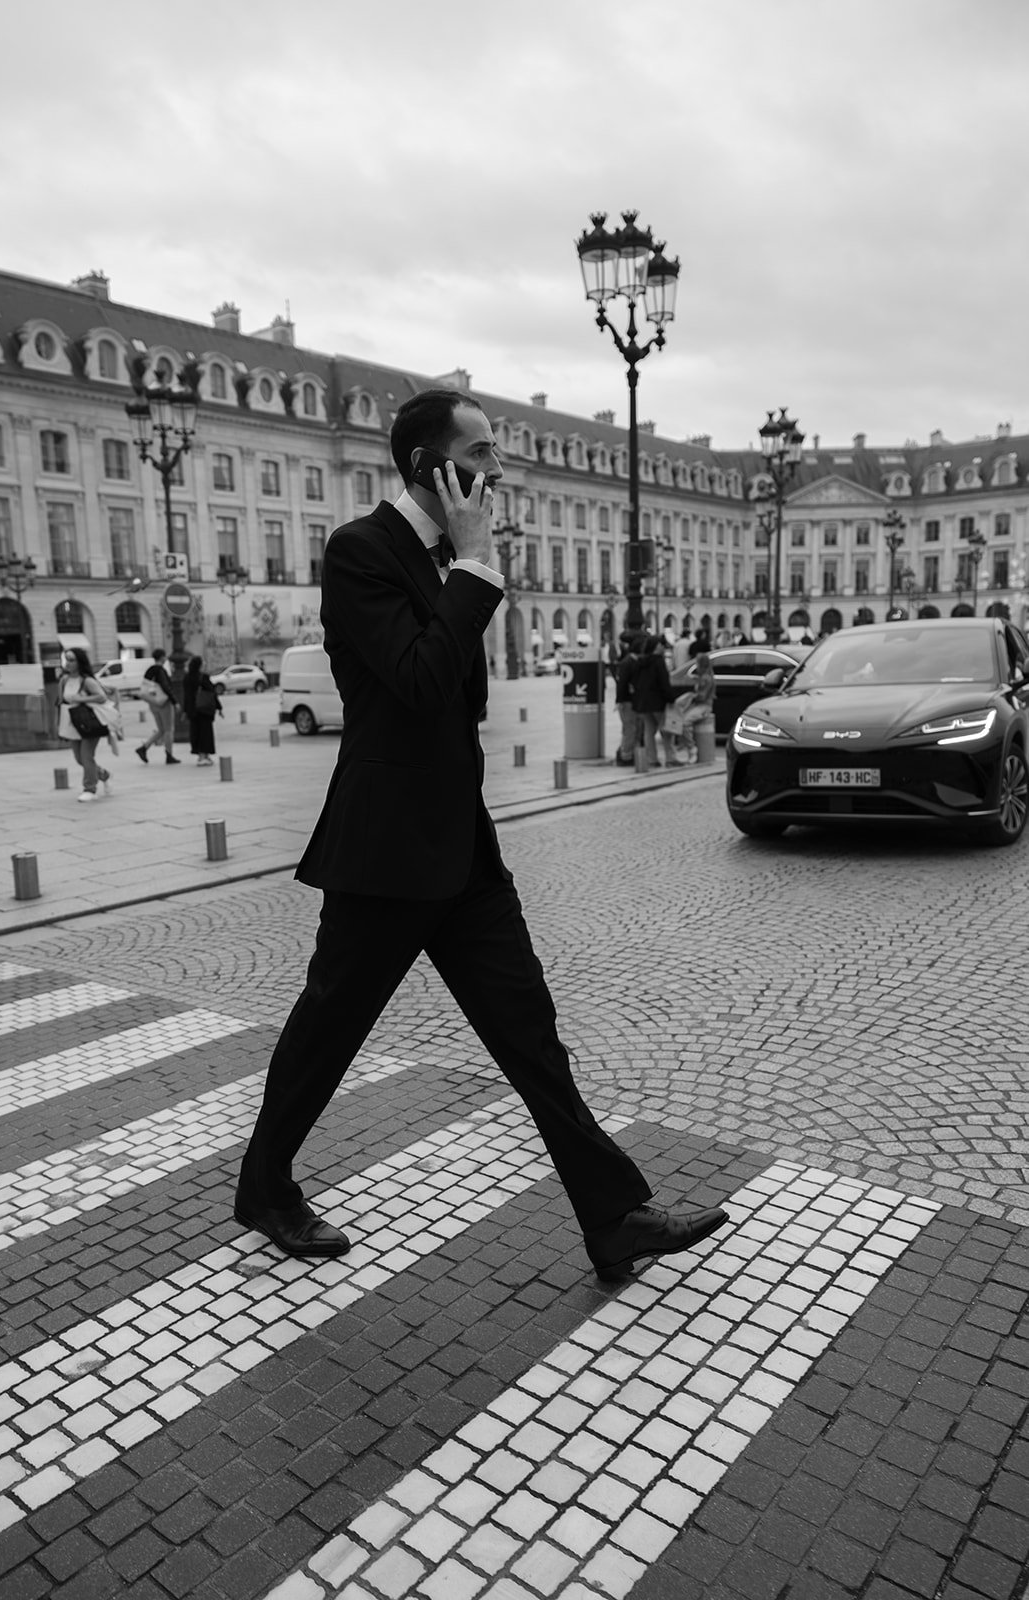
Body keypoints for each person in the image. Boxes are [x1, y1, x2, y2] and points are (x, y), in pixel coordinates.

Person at [235, 387, 728, 1280]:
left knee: (529, 1032)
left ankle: (615, 1216)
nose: (498, 471)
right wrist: (474, 567)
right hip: (386, 852)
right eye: (484, 455)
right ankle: (264, 1185)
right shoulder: (362, 553)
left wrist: (464, 569)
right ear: (435, 468)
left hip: (458, 844)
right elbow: (421, 683)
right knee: (327, 1030)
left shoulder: (435, 559)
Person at [56, 647, 112, 802]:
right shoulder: (64, 680)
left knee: (87, 756)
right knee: (79, 758)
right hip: (72, 722)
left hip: (89, 722)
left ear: (80, 662)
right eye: (66, 659)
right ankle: (103, 774)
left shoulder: (87, 680)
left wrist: (81, 699)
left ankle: (90, 789)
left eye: (72, 660)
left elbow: (101, 697)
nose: (68, 663)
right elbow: (61, 702)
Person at [630, 634, 673, 767]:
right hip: (658, 702)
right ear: (655, 647)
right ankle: (670, 759)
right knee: (666, 731)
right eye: (660, 645)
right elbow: (664, 682)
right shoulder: (659, 661)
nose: (662, 647)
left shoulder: (640, 662)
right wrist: (671, 698)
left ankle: (652, 759)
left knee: (649, 731)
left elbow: (634, 681)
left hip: (644, 703)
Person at [670, 647, 716, 764]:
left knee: (685, 722)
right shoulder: (705, 677)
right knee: (682, 719)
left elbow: (702, 696)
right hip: (702, 705)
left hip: (703, 706)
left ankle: (691, 747)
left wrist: (691, 696)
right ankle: (686, 745)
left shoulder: (705, 679)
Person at [135, 648, 181, 766]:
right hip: (163, 702)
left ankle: (144, 748)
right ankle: (169, 755)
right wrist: (174, 701)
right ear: (162, 657)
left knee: (161, 729)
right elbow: (166, 686)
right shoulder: (160, 670)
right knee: (169, 729)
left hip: (152, 702)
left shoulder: (149, 670)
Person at [183, 655, 221, 766]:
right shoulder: (203, 677)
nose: (205, 665)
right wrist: (219, 707)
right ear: (199, 665)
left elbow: (186, 696)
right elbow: (212, 693)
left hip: (193, 710)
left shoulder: (187, 678)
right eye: (203, 663)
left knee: (196, 732)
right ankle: (205, 755)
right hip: (204, 709)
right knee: (206, 733)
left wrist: (186, 711)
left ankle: (200, 756)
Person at [613, 631, 642, 766]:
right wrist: (619, 701)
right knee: (630, 728)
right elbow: (622, 683)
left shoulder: (633, 661)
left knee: (632, 728)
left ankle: (628, 753)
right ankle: (625, 756)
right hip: (627, 701)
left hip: (631, 700)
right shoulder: (627, 663)